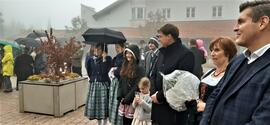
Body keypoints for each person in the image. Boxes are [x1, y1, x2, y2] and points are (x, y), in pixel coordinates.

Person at [200, 1, 270, 125]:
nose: (235, 28)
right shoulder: (237, 61)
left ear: (262, 22)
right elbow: (214, 97)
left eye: (241, 22)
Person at [150, 24, 195, 125]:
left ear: (169, 36)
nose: (159, 39)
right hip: (157, 105)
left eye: (160, 36)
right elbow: (154, 74)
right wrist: (153, 92)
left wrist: (159, 96)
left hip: (172, 110)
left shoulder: (186, 54)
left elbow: (181, 83)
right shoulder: (161, 53)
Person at [194, 37, 237, 125]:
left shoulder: (232, 75)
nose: (212, 54)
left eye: (217, 50)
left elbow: (231, 105)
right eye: (212, 50)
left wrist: (206, 107)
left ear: (228, 53)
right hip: (198, 118)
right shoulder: (210, 72)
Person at [85, 43, 112, 125]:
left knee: (104, 106)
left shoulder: (108, 59)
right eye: (95, 49)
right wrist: (94, 79)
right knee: (97, 107)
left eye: (99, 49)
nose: (96, 50)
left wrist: (104, 60)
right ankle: (99, 123)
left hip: (104, 85)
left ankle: (105, 123)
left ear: (103, 50)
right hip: (94, 85)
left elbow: (105, 72)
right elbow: (89, 72)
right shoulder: (90, 59)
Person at [117, 44, 145, 125]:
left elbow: (138, 86)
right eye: (126, 53)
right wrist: (119, 95)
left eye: (130, 53)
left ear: (135, 54)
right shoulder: (124, 66)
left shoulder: (139, 68)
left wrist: (128, 98)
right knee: (124, 121)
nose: (128, 55)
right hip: (124, 101)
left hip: (133, 101)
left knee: (132, 122)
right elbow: (121, 82)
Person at [108, 43, 125, 125]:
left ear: (123, 47)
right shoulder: (116, 58)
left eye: (118, 47)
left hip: (120, 83)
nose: (116, 49)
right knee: (113, 101)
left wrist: (115, 70)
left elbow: (121, 72)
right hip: (114, 83)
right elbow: (110, 67)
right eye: (115, 47)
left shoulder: (124, 58)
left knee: (118, 102)